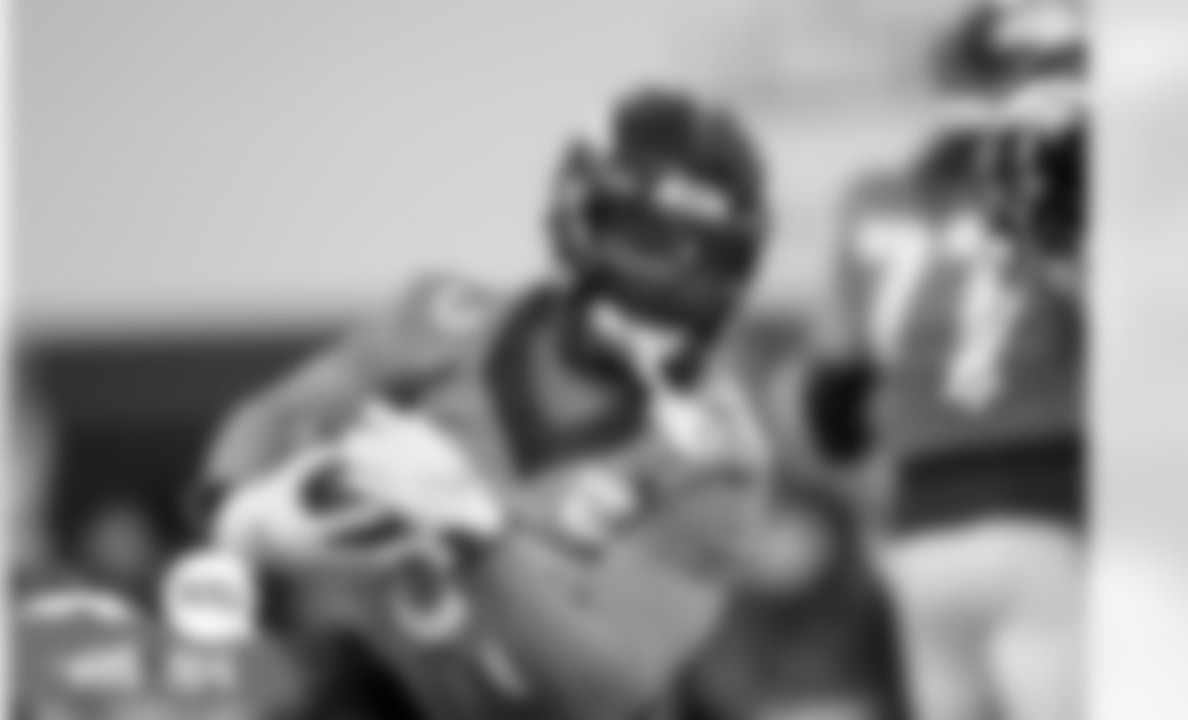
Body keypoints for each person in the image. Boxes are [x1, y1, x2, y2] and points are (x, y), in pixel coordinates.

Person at [193, 87, 858, 720]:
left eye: (711, 261)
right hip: (399, 688)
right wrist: (230, 506)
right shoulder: (442, 319)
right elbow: (276, 413)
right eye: (651, 244)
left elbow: (607, 687)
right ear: (579, 216)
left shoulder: (719, 460)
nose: (679, 285)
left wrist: (480, 536)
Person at [793, 21, 1087, 720]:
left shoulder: (875, 199)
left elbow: (832, 412)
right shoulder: (1063, 192)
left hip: (922, 533)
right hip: (1045, 514)